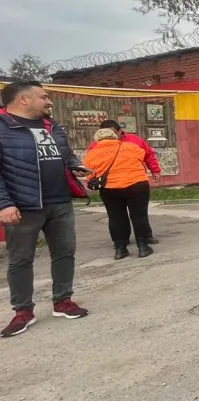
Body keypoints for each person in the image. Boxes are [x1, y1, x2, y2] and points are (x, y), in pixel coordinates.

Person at [0, 81, 91, 338]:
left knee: (65, 253)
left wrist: (76, 166)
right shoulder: (3, 127)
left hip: (59, 201)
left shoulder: (52, 125)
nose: (49, 101)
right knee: (20, 259)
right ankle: (22, 311)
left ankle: (63, 301)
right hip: (23, 206)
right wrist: (4, 204)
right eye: (44, 97)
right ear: (23, 99)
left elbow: (65, 154)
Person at [82, 127, 156, 260]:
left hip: (110, 189)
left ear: (97, 140)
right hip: (137, 185)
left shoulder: (91, 154)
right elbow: (142, 156)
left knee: (116, 218)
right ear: (115, 136)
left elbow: (89, 175)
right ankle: (143, 247)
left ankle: (120, 250)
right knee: (139, 216)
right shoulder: (131, 147)